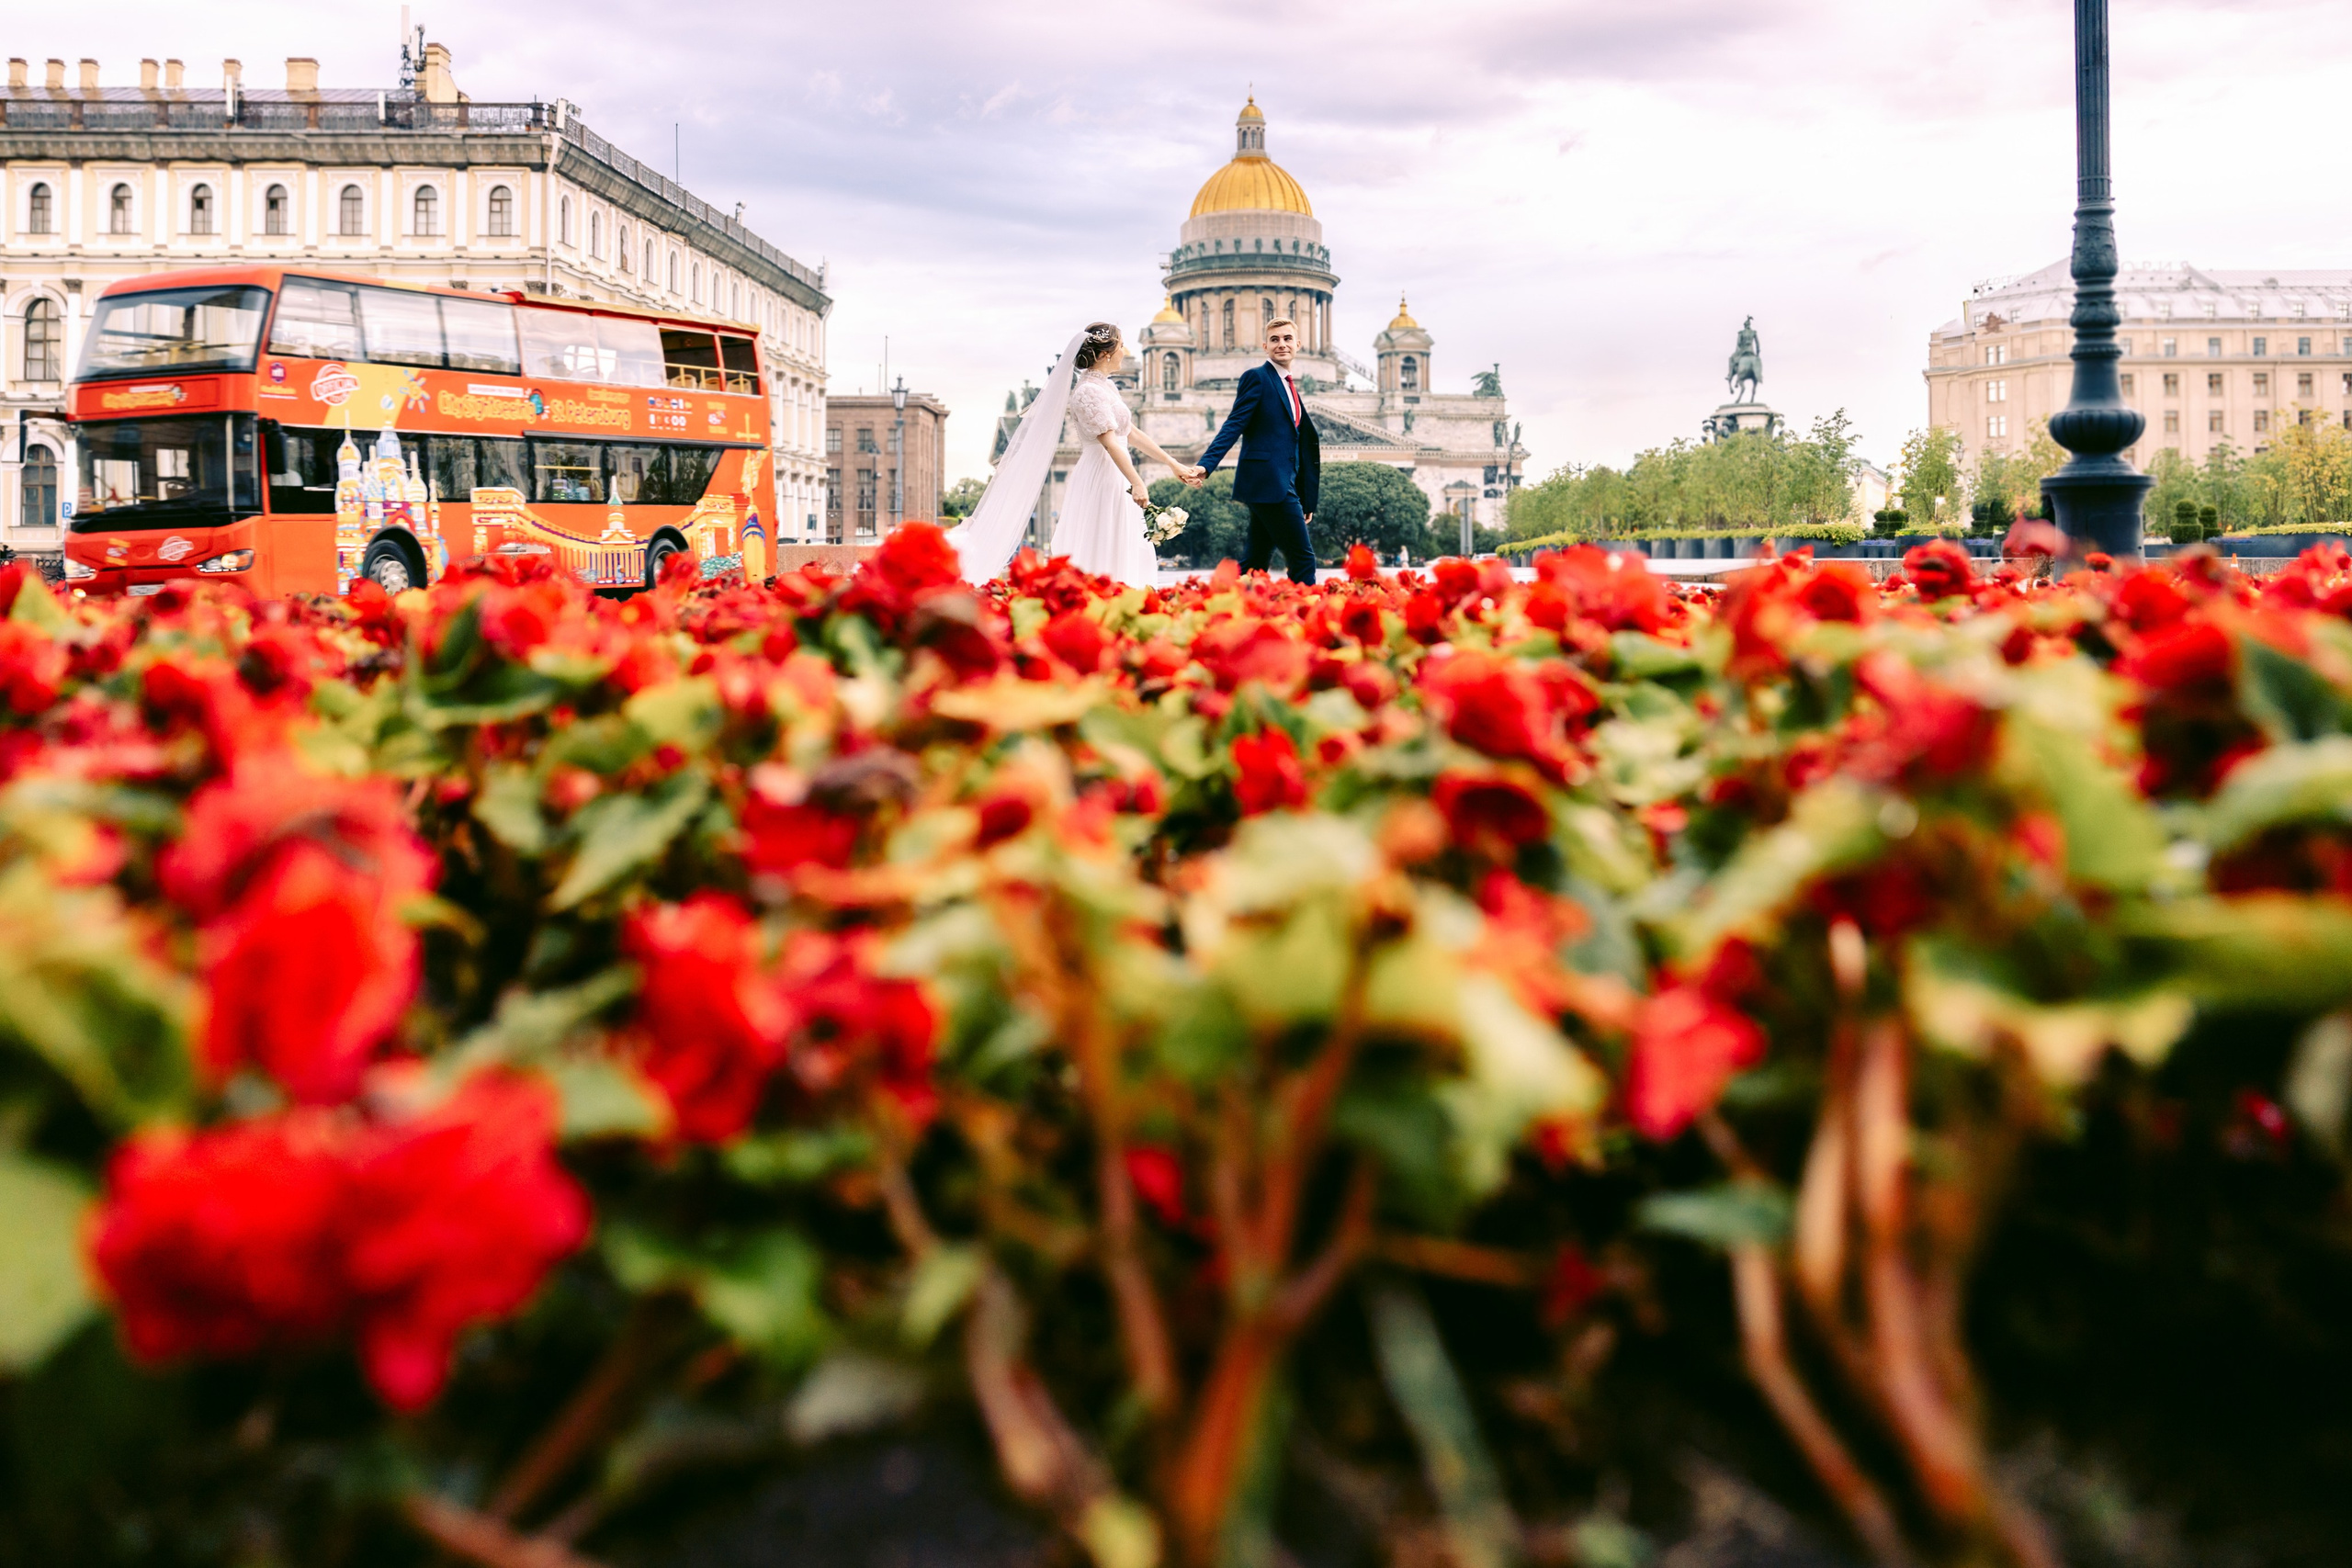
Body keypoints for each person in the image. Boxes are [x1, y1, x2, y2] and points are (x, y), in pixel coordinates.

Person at [946, 322, 1202, 588]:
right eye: (1122, 345)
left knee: (1123, 542)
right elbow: (1111, 443)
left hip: (1116, 476)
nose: (1125, 351)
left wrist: (1173, 464)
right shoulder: (1087, 392)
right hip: (1102, 476)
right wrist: (1137, 482)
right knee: (1104, 542)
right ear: (1106, 354)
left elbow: (1132, 433)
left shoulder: (1106, 388)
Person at [1190, 317, 1321, 583]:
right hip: (1269, 482)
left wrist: (1306, 497)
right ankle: (1307, 617)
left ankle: (1209, 600)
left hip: (1281, 484)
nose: (1281, 345)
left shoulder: (1288, 384)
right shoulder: (1257, 378)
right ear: (1265, 346)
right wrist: (1206, 465)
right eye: (1274, 340)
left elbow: (1297, 443)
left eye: (1286, 339)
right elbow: (1234, 424)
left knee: (1255, 562)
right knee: (1303, 559)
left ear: (1298, 344)